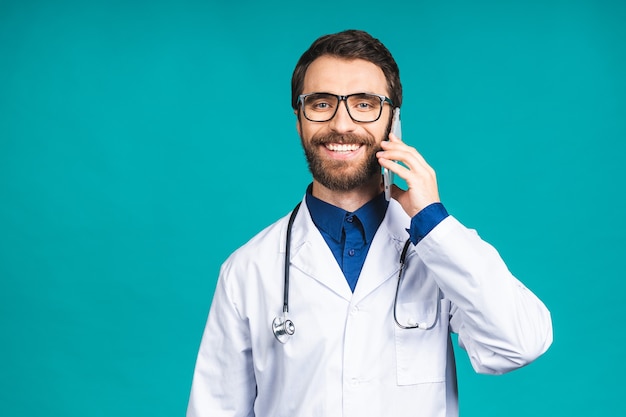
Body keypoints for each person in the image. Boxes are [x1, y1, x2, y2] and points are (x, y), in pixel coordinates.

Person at [186, 29, 552, 417]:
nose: (342, 124)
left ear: (394, 122)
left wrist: (433, 222)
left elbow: (521, 342)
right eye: (322, 103)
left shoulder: (440, 251)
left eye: (364, 104)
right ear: (299, 120)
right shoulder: (247, 269)